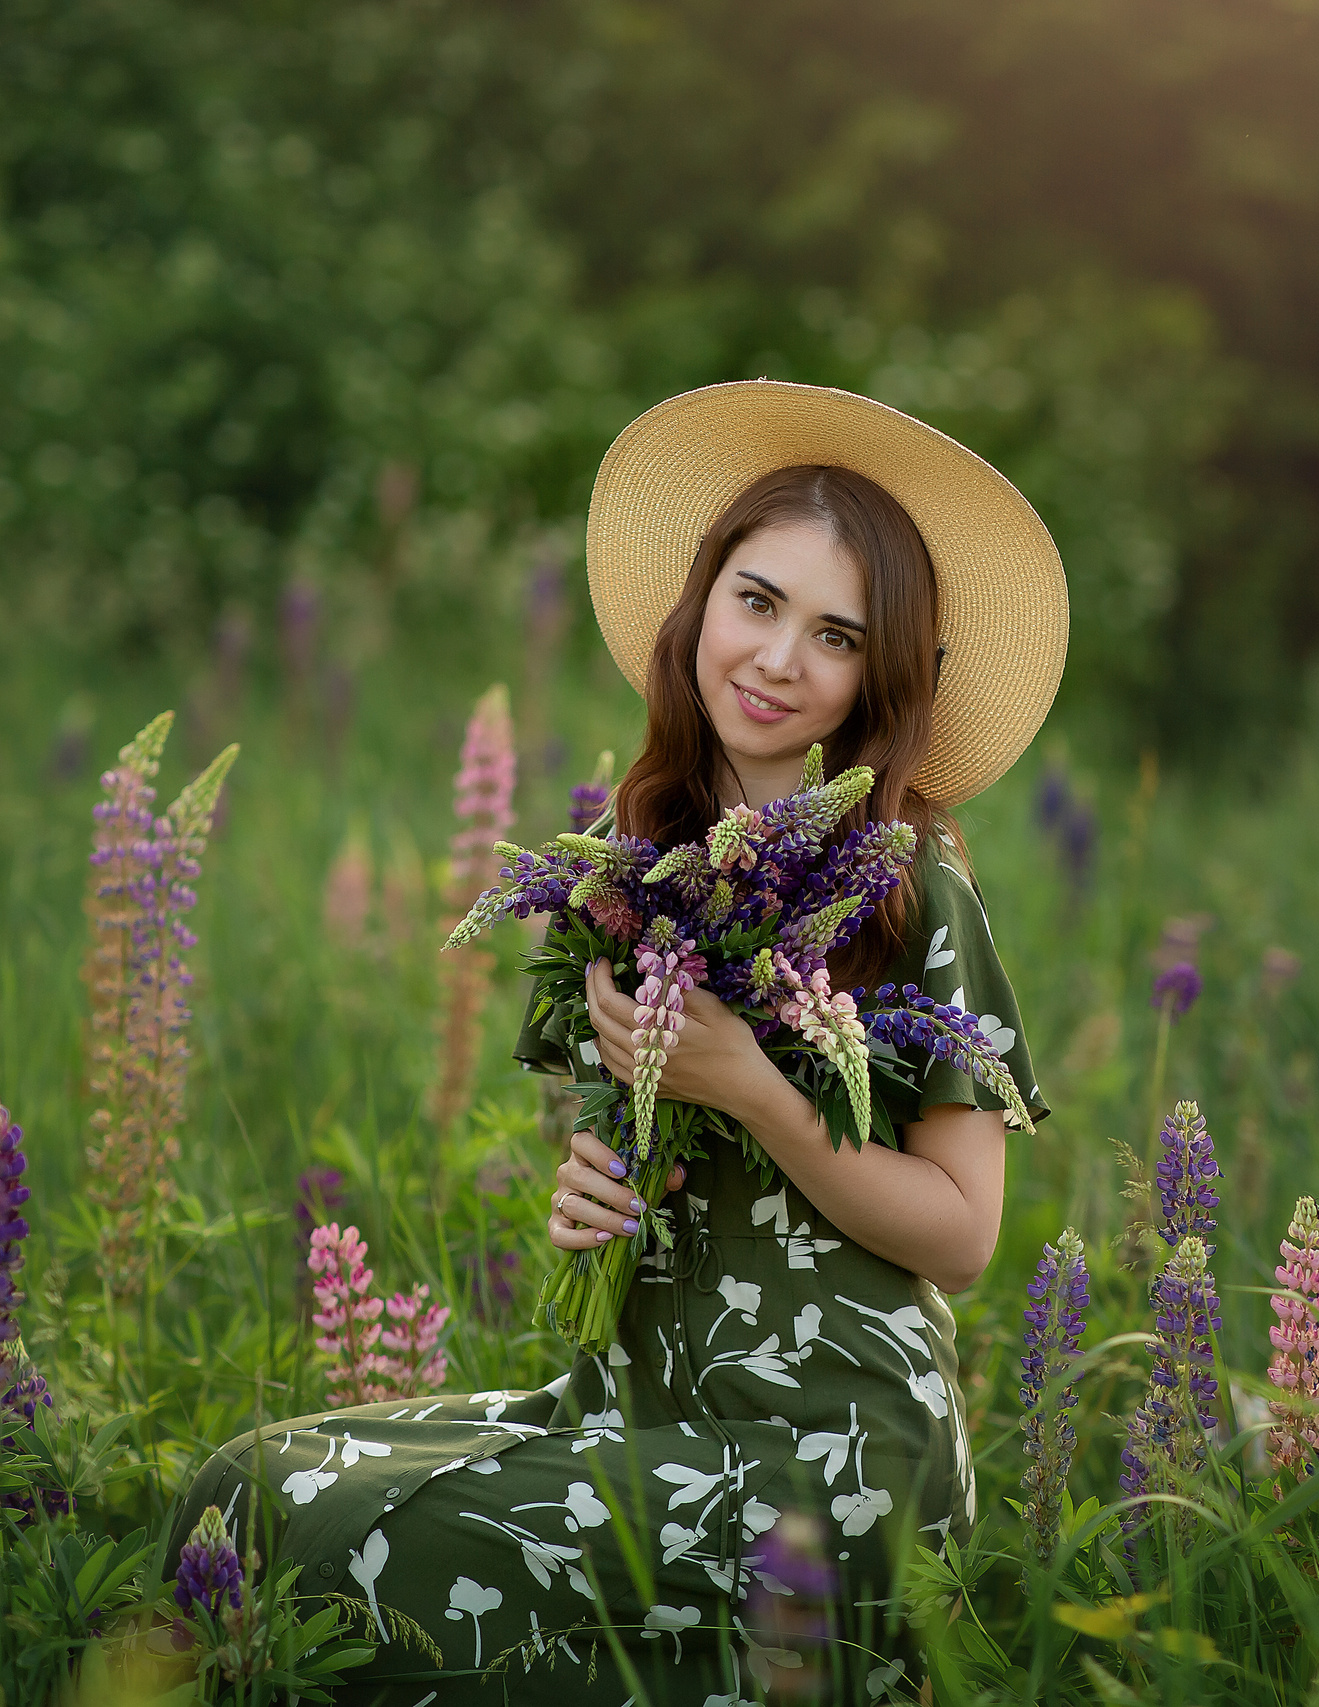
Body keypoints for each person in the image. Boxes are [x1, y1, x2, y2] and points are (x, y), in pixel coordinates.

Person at [163, 380, 1068, 1703]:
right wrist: (590, 1191)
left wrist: (752, 1088)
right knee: (240, 1493)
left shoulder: (908, 881)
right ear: (700, 603)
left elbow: (966, 1237)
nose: (777, 658)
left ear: (877, 674)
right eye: (757, 602)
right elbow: (623, 1151)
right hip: (637, 1411)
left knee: (342, 1542)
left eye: (834, 635)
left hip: (833, 1457)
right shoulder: (625, 863)